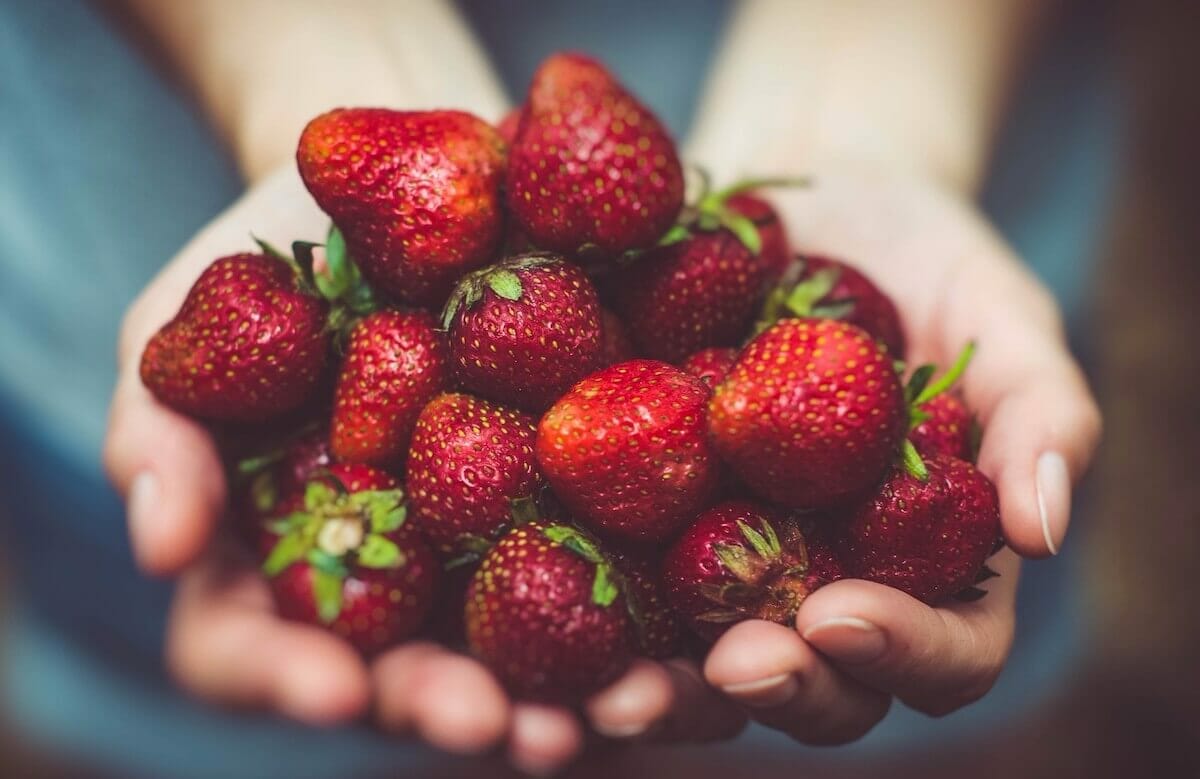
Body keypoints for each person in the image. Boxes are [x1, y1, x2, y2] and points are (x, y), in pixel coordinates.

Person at [1, 1, 1105, 777]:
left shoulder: (701, 385)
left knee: (887, 717)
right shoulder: (502, 367)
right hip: (126, 193)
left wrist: (867, 115)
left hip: (945, 96)